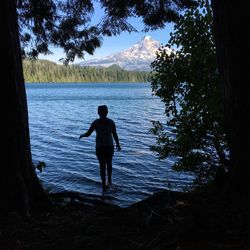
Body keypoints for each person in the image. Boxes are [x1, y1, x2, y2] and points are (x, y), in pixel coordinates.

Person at [79, 105, 121, 192]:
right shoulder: (111, 122)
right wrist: (118, 144)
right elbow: (115, 134)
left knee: (102, 166)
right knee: (109, 164)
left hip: (100, 147)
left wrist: (82, 135)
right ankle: (109, 181)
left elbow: (88, 134)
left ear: (98, 113)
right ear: (107, 112)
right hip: (109, 147)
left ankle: (103, 186)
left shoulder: (95, 122)